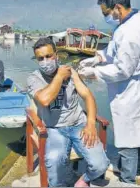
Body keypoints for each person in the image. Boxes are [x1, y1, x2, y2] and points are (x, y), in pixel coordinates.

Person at [78, 0, 140, 184]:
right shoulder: (128, 23)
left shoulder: (132, 31)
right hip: (131, 89)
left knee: (128, 139)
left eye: (106, 13)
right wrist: (97, 57)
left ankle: (127, 179)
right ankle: (134, 168)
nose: (106, 17)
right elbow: (114, 49)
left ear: (117, 7)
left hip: (133, 91)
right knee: (136, 134)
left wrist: (95, 72)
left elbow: (123, 69)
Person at [26, 37, 110, 187]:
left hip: (79, 125)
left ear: (56, 54)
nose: (45, 61)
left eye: (48, 56)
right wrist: (59, 77)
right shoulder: (34, 78)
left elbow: (88, 96)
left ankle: (83, 180)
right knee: (54, 168)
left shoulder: (71, 73)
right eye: (41, 58)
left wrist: (90, 123)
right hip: (54, 129)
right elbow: (45, 100)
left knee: (100, 165)